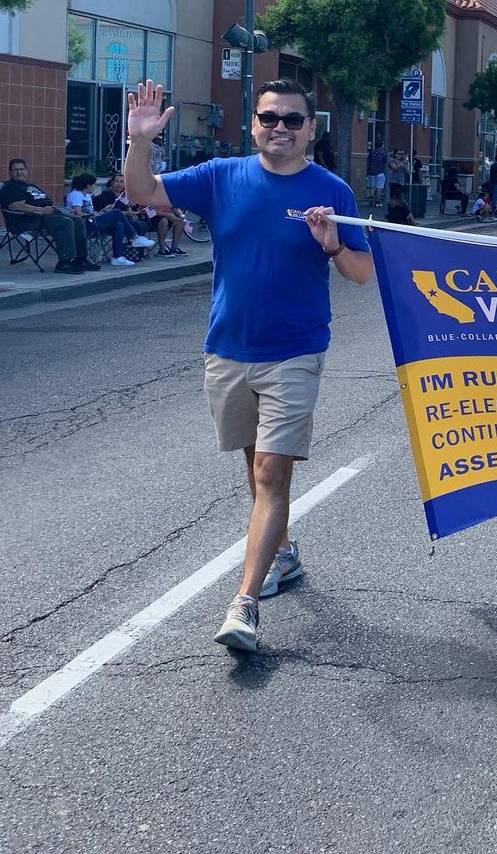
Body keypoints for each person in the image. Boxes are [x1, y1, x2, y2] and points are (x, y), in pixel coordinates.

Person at [124, 79, 373, 654]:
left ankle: (245, 603)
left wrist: (334, 244)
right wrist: (140, 142)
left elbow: (361, 274)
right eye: (269, 117)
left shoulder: (331, 190)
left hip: (294, 351)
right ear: (254, 123)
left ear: (312, 128)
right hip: (228, 349)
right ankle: (282, 554)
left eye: (292, 118)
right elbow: (143, 193)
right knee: (254, 463)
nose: (279, 126)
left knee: (270, 474)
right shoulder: (220, 176)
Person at [0, 158, 96, 273]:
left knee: (78, 220)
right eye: (15, 170)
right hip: (27, 220)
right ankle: (64, 263)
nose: (19, 172)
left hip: (46, 215)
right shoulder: (10, 187)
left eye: (21, 169)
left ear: (26, 171)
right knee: (65, 223)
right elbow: (15, 206)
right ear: (10, 172)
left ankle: (81, 259)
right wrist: (41, 210)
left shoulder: (28, 185)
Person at [65, 173, 150, 266]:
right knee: (116, 212)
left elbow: (92, 212)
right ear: (88, 185)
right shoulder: (76, 195)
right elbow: (78, 213)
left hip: (93, 221)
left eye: (122, 182)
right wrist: (96, 215)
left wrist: (102, 211)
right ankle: (134, 237)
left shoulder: (87, 196)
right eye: (94, 184)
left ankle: (117, 257)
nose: (95, 186)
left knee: (118, 225)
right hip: (84, 225)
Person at [365, 140, 388, 209]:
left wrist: (367, 171)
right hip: (380, 172)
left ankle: (371, 199)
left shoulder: (372, 152)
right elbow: (385, 162)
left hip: (372, 172)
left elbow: (368, 161)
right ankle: (377, 202)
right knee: (379, 187)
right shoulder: (383, 153)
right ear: (382, 145)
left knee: (372, 187)